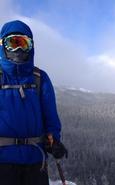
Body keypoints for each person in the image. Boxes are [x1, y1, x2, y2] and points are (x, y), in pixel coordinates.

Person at [0, 20, 68, 185]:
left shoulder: (39, 78)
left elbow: (50, 117)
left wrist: (54, 141)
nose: (18, 49)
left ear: (31, 46)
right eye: (12, 43)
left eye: (23, 43)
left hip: (35, 162)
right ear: (2, 45)